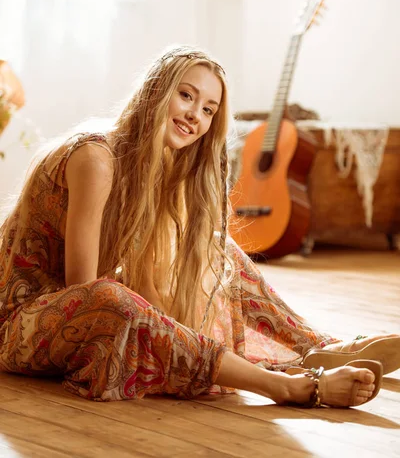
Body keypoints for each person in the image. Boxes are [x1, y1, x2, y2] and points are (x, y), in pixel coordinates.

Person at [0, 45, 397, 407]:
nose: (195, 115)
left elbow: (143, 281)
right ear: (155, 91)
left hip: (80, 310)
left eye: (209, 109)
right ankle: (287, 386)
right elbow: (82, 288)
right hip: (20, 324)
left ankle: (319, 347)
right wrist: (163, 328)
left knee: (216, 250)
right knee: (113, 298)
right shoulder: (95, 157)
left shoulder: (156, 166)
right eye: (186, 95)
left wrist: (175, 334)